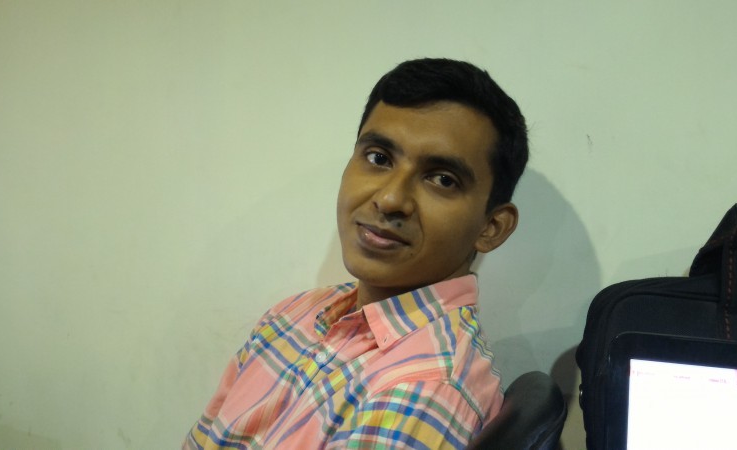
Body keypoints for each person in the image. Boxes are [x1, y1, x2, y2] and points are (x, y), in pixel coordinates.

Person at [183, 58, 528, 450]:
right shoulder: (293, 315)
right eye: (379, 158)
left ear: (491, 227)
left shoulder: (425, 388)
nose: (391, 199)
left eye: (442, 179)